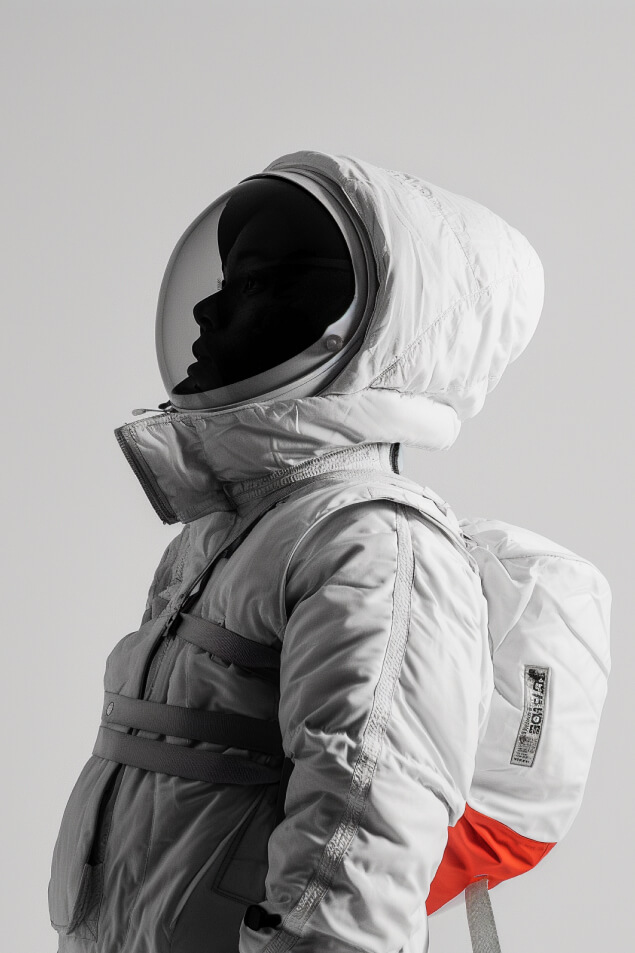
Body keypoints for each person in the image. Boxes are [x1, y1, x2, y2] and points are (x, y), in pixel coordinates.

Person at [48, 149, 545, 953]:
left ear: (360, 332)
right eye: (226, 278)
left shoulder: (372, 545)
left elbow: (354, 869)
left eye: (259, 283)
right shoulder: (227, 535)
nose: (208, 310)